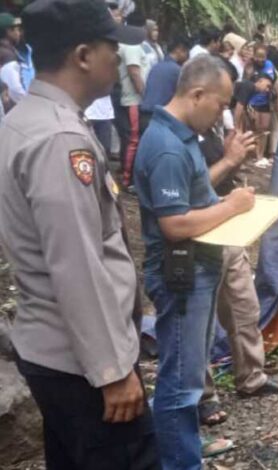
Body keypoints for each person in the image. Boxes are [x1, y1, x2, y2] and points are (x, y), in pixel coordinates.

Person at [0, 1, 159, 468]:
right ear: (84, 55)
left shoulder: (25, 121)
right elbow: (77, 265)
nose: (119, 61)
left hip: (57, 353)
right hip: (84, 367)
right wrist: (112, 371)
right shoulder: (59, 140)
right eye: (114, 49)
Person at [134, 54, 256, 468]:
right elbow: (176, 224)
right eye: (220, 105)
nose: (222, 113)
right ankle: (180, 462)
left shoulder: (181, 135)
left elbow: (194, 199)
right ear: (197, 93)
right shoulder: (167, 147)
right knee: (180, 383)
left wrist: (223, 200)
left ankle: (181, 451)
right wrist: (234, 207)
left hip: (197, 267)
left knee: (189, 370)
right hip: (181, 274)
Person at [196, 118, 278, 426]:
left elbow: (220, 175)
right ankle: (203, 396)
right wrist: (228, 160)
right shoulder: (174, 141)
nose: (224, 109)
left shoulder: (209, 128)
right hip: (201, 233)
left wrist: (236, 162)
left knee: (244, 307)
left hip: (230, 227)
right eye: (220, 103)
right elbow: (190, 191)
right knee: (202, 322)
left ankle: (252, 377)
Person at [116, 12, 150, 188]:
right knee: (133, 139)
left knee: (133, 138)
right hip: (133, 100)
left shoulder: (130, 44)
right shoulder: (132, 46)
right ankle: (128, 179)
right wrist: (145, 95)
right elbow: (134, 72)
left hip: (134, 100)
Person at [140, 36, 189, 117]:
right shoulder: (177, 71)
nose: (187, 56)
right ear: (179, 49)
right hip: (158, 117)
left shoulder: (156, 67)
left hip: (144, 114)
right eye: (186, 52)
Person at [0, 16, 35, 107]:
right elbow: (15, 89)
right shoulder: (7, 55)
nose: (19, 33)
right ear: (8, 32)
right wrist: (31, 106)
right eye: (17, 30)